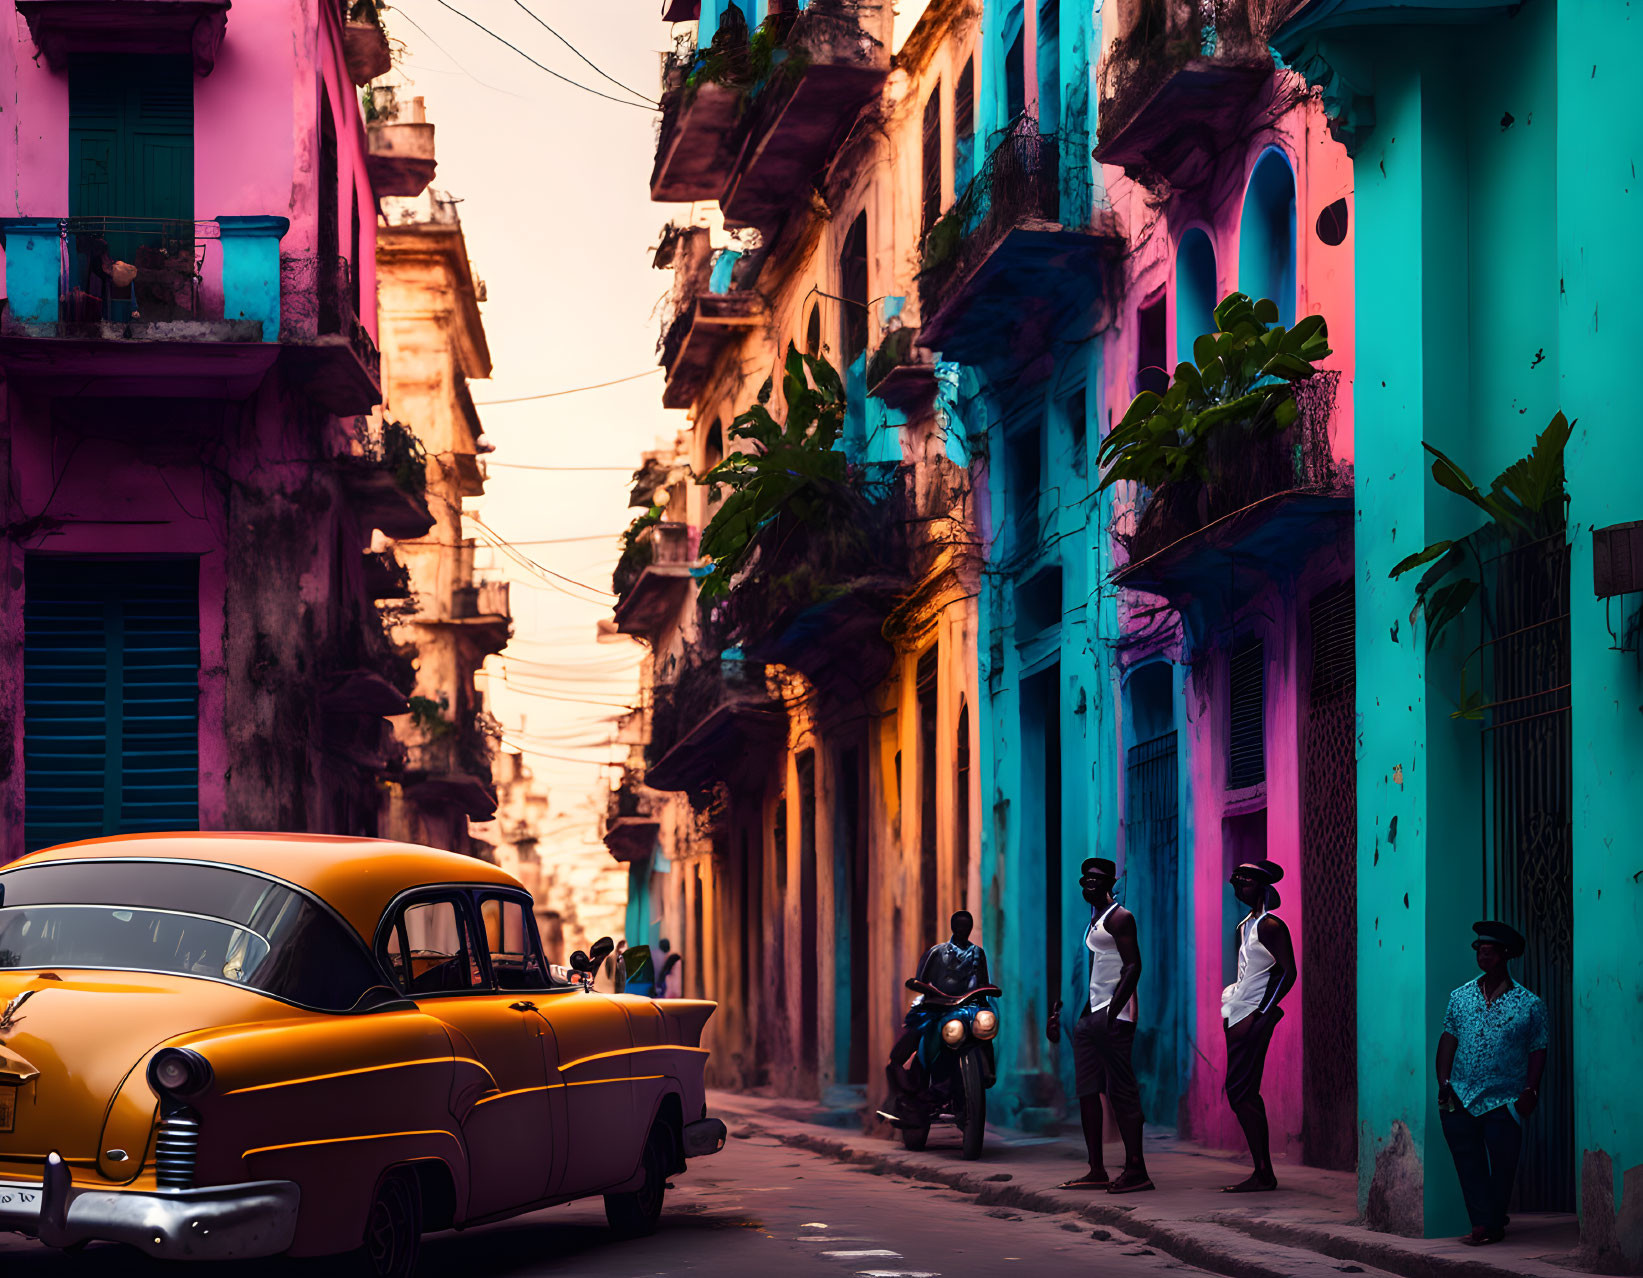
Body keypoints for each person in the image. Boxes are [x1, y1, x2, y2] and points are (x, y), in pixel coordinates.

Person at [1436, 921, 1548, 1247]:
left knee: (1502, 1167)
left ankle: (1494, 1219)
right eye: (1480, 951)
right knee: (1468, 1164)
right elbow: (1447, 1040)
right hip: (1461, 1096)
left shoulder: (1530, 1005)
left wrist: (1530, 1091)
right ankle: (1484, 1225)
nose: (1483, 956)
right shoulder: (1460, 998)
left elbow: (1538, 1049)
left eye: (1490, 951)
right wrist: (1444, 1082)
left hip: (1504, 1099)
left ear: (1505, 955)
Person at [1047, 857, 1153, 1193]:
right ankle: (1096, 1169)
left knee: (1122, 1092)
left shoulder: (1121, 917)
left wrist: (1110, 1014)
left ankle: (1137, 1169)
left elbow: (1133, 967)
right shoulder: (1092, 923)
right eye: (1084, 882)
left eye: (1095, 882)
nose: (1088, 886)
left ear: (1109, 885)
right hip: (1088, 1018)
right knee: (1087, 1093)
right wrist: (1063, 1013)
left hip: (1114, 1018)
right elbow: (1084, 973)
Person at [1220, 858, 1297, 1193]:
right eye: (1236, 881)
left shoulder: (1271, 926)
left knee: (1242, 1092)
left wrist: (1262, 1013)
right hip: (1237, 1016)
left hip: (1253, 1019)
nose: (1239, 887)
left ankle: (1264, 1172)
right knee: (1241, 1092)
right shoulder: (1244, 926)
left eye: (1246, 882)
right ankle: (1262, 1170)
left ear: (1262, 888)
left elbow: (1288, 972)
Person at [884, 911, 990, 1114]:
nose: (963, 929)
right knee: (918, 1036)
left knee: (986, 1030)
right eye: (959, 925)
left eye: (967, 926)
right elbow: (921, 981)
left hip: (968, 1009)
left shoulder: (978, 953)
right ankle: (909, 1086)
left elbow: (983, 982)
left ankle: (986, 1072)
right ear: (952, 926)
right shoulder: (936, 952)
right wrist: (933, 995)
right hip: (937, 1008)